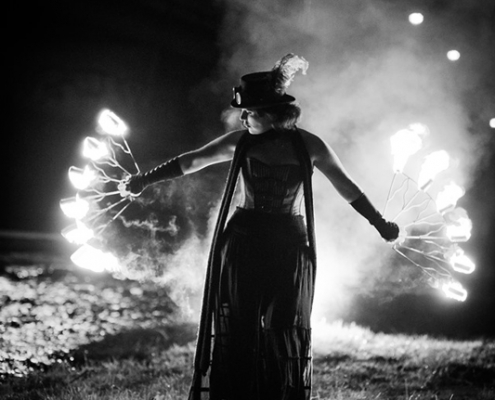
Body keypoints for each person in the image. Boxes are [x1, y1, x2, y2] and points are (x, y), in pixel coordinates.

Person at [123, 54, 399, 400]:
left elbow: (348, 188)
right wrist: (145, 180)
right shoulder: (242, 141)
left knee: (283, 328)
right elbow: (193, 160)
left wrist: (380, 223)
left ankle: (278, 395)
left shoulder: (310, 145)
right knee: (238, 328)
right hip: (243, 242)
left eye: (250, 112)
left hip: (288, 245)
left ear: (270, 114)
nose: (243, 118)